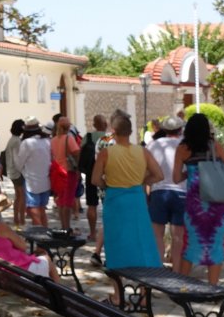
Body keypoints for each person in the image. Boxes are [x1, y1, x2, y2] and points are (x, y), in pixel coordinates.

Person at [92, 110, 161, 302]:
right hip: (137, 200)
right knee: (142, 244)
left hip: (115, 200)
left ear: (113, 131)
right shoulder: (143, 151)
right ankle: (145, 294)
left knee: (115, 245)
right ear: (131, 131)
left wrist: (108, 184)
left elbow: (95, 178)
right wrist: (141, 181)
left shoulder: (106, 153)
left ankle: (117, 294)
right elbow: (159, 175)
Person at [175, 113, 224, 285]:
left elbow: (176, 178)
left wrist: (191, 172)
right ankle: (212, 286)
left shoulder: (182, 148)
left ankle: (183, 285)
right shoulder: (214, 145)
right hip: (218, 202)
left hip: (194, 204)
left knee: (191, 242)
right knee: (216, 243)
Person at [147, 116, 186, 268]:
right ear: (180, 129)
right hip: (181, 192)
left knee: (157, 234)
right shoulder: (185, 145)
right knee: (178, 237)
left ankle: (158, 267)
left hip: (159, 191)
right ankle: (176, 271)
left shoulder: (154, 145)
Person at [15, 117, 52, 227]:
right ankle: (45, 234)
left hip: (31, 181)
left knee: (34, 210)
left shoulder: (26, 143)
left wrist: (24, 171)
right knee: (42, 209)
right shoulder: (47, 141)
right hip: (46, 180)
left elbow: (19, 164)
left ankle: (40, 237)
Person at [79, 114, 107, 243]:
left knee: (91, 205)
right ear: (105, 125)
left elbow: (80, 154)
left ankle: (92, 233)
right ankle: (107, 231)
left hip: (91, 174)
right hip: (106, 176)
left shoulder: (88, 137)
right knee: (107, 205)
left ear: (94, 125)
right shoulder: (109, 139)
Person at [49, 117, 81, 230]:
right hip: (68, 172)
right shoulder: (69, 138)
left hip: (57, 173)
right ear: (68, 127)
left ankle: (63, 227)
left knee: (61, 201)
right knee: (67, 202)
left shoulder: (53, 140)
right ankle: (67, 228)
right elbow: (76, 152)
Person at [4, 120, 27, 227]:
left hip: (12, 171)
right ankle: (21, 219)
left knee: (18, 196)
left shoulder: (12, 139)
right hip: (17, 172)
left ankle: (16, 218)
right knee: (22, 196)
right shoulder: (17, 141)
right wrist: (22, 170)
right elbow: (17, 158)